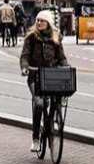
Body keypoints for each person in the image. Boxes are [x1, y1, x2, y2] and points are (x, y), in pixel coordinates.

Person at [20, 10, 69, 153]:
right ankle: (36, 138)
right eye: (38, 21)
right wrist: (25, 68)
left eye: (42, 21)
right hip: (35, 75)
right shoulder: (31, 38)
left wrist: (65, 67)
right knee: (39, 103)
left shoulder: (56, 38)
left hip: (52, 76)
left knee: (57, 100)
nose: (39, 23)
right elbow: (25, 56)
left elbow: (61, 57)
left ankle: (52, 126)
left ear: (48, 23)